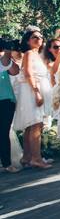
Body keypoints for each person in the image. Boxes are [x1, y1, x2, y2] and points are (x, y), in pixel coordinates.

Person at [14, 29, 52, 169]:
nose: (38, 39)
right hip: (32, 91)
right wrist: (37, 92)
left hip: (35, 89)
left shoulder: (37, 54)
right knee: (36, 124)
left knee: (31, 126)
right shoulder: (29, 53)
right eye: (34, 37)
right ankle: (36, 159)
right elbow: (28, 74)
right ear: (28, 40)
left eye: (40, 37)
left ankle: (27, 157)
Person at [1, 44, 21, 173]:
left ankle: (7, 163)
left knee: (3, 132)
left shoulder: (4, 60)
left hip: (5, 100)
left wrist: (7, 52)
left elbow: (15, 71)